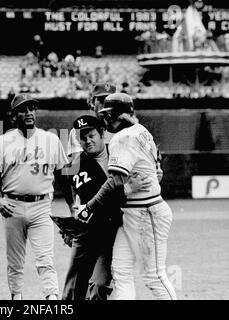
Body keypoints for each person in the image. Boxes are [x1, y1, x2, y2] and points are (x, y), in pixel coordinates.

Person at [75, 93, 177, 300]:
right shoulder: (141, 130)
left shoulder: (122, 138)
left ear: (122, 115)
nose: (106, 118)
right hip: (135, 211)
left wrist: (88, 208)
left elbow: (115, 181)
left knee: (154, 276)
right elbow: (155, 167)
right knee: (120, 271)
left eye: (110, 114)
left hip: (146, 212)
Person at [0, 93, 69, 300]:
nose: (29, 113)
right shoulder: (3, 141)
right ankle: (16, 297)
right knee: (14, 261)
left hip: (41, 206)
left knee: (45, 259)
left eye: (32, 108)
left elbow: (63, 177)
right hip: (12, 205)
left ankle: (51, 298)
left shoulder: (51, 139)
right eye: (23, 109)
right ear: (14, 116)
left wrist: (72, 206)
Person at [62, 115, 150, 300]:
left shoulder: (120, 152)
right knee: (72, 291)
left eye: (91, 135)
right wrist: (126, 189)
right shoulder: (76, 165)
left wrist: (155, 172)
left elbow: (144, 175)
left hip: (115, 233)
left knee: (99, 285)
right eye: (82, 137)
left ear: (102, 133)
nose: (87, 141)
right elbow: (96, 200)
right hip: (89, 233)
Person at [67, 82, 116, 161]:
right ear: (92, 102)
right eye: (101, 100)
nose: (106, 105)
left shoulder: (124, 130)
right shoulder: (79, 130)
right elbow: (76, 163)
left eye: (110, 101)